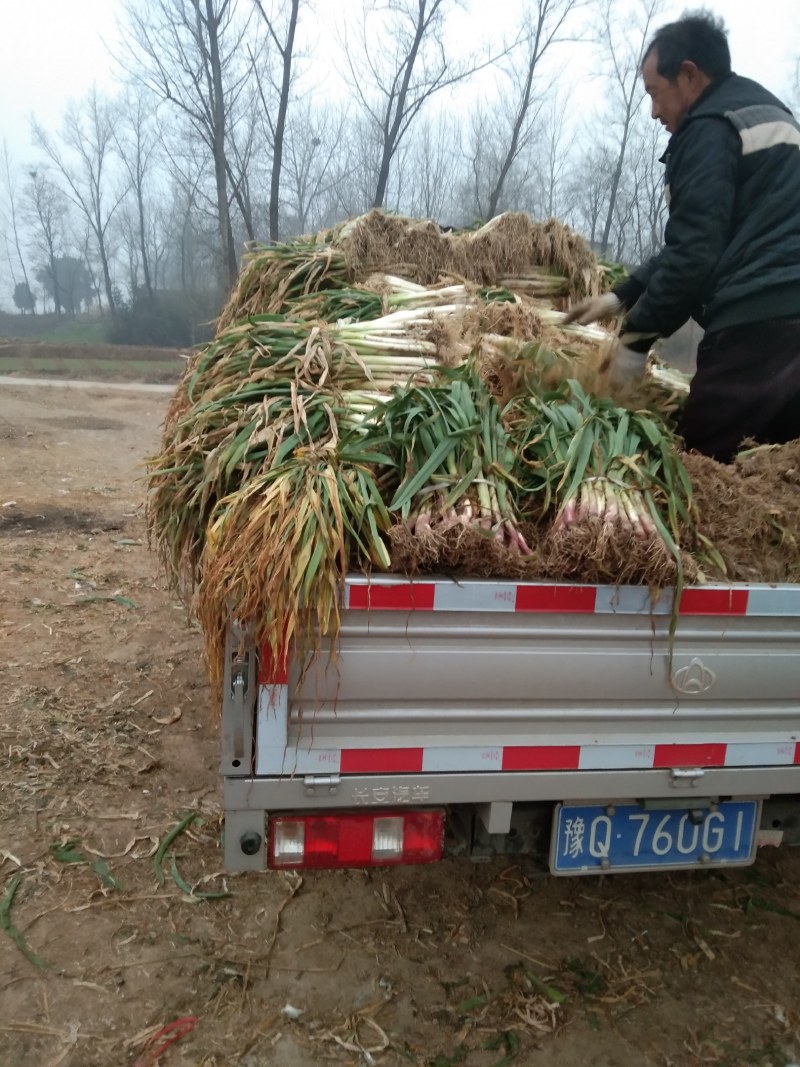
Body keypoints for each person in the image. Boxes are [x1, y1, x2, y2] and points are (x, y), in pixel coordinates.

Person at [564, 11, 800, 462]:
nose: (653, 111)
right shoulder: (767, 114)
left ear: (689, 76)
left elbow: (695, 254)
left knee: (700, 468)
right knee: (776, 476)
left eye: (655, 93)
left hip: (757, 332)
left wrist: (634, 338)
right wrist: (622, 295)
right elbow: (714, 233)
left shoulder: (709, 129)